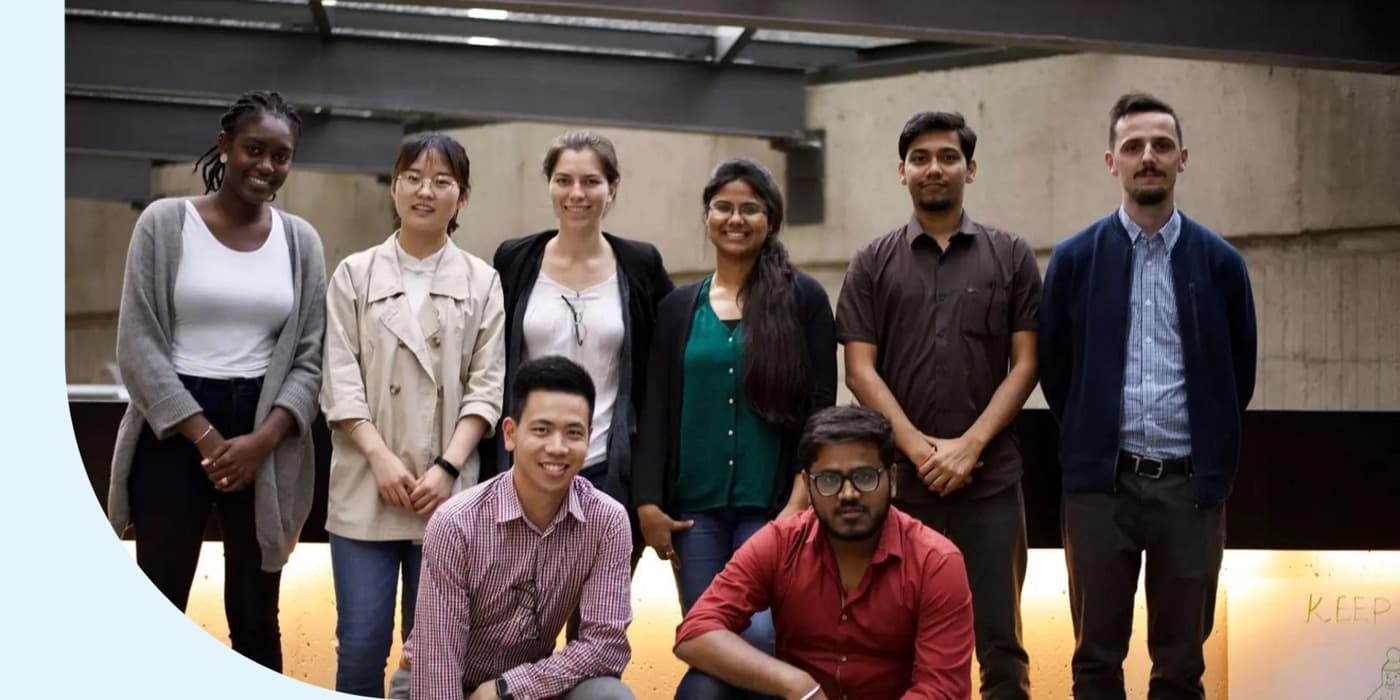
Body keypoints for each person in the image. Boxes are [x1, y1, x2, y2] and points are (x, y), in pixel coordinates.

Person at [1039, 92, 1257, 700]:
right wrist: (1091, 439)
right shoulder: (1076, 261)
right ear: (1112, 161)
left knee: (1183, 665)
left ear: (1182, 157)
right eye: (1133, 146)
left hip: (1191, 492)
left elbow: (1239, 373)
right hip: (1100, 491)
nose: (1148, 157)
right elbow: (1057, 371)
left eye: (1161, 145)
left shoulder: (1221, 264)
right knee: (1095, 662)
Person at [106, 90, 326, 671]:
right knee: (159, 600)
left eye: (281, 156)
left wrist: (259, 442)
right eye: (254, 149)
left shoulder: (301, 241)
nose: (267, 166)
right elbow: (137, 345)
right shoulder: (164, 222)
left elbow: (308, 359)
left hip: (264, 432)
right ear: (225, 145)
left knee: (256, 616)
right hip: (173, 428)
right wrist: (206, 439)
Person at [835, 111, 1041, 700]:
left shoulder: (1011, 255)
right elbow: (859, 368)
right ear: (902, 172)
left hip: (992, 481)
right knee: (900, 644)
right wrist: (923, 452)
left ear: (969, 169)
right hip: (903, 487)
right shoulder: (872, 261)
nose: (934, 168)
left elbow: (1027, 364)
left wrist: (969, 447)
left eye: (948, 157)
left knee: (1001, 645)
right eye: (920, 158)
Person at [320, 132, 506, 696]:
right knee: (359, 645)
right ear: (395, 188)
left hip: (448, 495)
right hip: (365, 485)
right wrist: (377, 458)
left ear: (462, 198)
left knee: (434, 653)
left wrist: (446, 469)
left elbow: (487, 386)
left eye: (442, 181)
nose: (426, 191)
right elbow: (338, 379)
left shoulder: (483, 280)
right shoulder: (353, 273)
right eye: (413, 178)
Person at [634, 158, 837, 651]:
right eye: (722, 207)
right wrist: (647, 505)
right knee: (710, 639)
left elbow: (820, 409)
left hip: (770, 510)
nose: (735, 218)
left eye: (750, 208)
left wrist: (799, 498)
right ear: (707, 217)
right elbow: (655, 409)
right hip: (693, 514)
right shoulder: (678, 308)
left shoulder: (803, 298)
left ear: (770, 220)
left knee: (762, 637)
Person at [674, 405, 974, 700]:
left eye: (865, 476)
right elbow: (696, 631)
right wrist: (797, 684)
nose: (848, 494)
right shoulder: (781, 543)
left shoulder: (935, 561)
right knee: (703, 687)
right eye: (829, 480)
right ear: (807, 485)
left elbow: (942, 690)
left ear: (892, 479)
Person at [491, 130, 673, 568]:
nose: (577, 193)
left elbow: (661, 376)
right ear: (550, 185)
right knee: (517, 613)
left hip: (609, 471)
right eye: (563, 180)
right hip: (526, 469)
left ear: (613, 188)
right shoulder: (514, 261)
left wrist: (652, 486)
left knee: (600, 614)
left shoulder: (640, 265)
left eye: (591, 181)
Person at [412, 356, 634, 700]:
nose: (557, 448)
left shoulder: (607, 521)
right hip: (439, 684)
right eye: (542, 430)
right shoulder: (456, 523)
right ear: (510, 434)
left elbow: (605, 647)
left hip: (526, 689)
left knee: (608, 695)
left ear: (589, 438)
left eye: (573, 433)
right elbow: (436, 666)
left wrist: (506, 689)